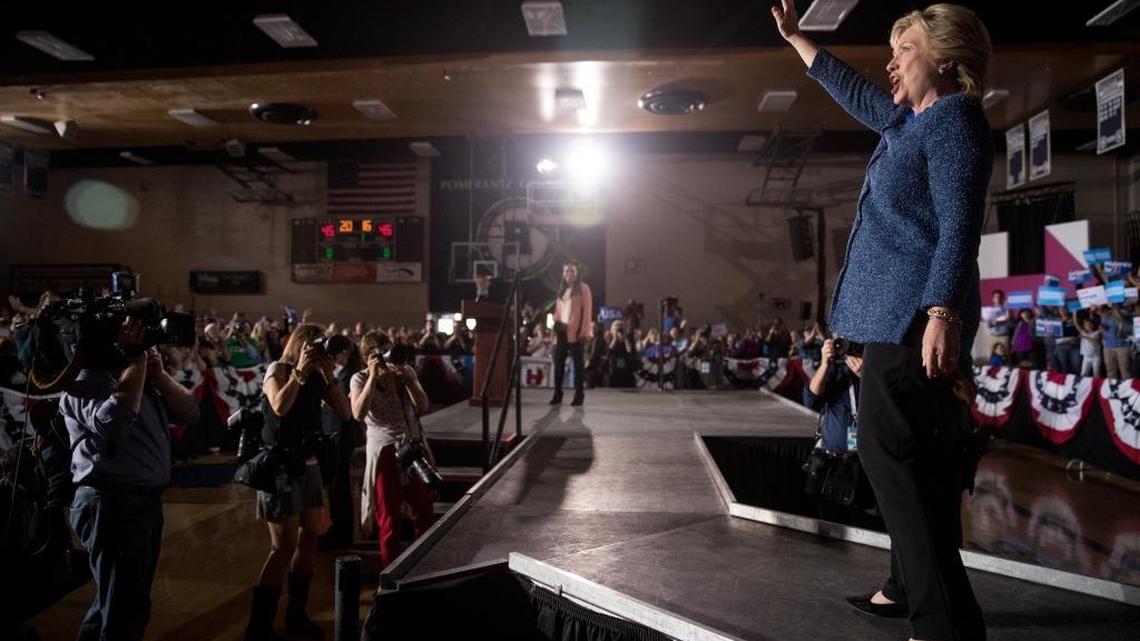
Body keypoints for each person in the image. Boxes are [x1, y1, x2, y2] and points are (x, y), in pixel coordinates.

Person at [772, 3, 992, 640]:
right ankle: (903, 586)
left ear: (945, 60)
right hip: (892, 313)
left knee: (886, 448)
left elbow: (959, 230)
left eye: (906, 51)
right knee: (913, 455)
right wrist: (796, 39)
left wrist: (944, 313)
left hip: (916, 314)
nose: (890, 63)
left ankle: (945, 620)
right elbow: (847, 85)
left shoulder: (954, 125)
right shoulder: (907, 121)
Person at [61, 319, 199, 641]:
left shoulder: (142, 378)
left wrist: (159, 375)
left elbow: (190, 413)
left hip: (142, 504)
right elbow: (117, 421)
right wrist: (135, 361)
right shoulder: (87, 380)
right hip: (111, 503)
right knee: (124, 611)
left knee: (114, 602)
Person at [245, 324, 352, 641]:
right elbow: (279, 406)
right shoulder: (278, 369)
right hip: (281, 468)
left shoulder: (320, 377)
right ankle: (259, 626)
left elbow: (345, 413)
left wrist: (328, 375)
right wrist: (301, 372)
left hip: (309, 467)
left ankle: (296, 613)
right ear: (299, 345)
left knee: (310, 542)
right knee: (283, 547)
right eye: (312, 345)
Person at [350, 330, 434, 568]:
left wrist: (407, 380)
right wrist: (372, 377)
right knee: (389, 519)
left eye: (388, 350)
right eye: (380, 353)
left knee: (424, 508)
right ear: (367, 357)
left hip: (411, 447)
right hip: (384, 451)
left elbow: (423, 406)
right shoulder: (359, 378)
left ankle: (422, 566)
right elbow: (357, 413)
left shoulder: (404, 372)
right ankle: (392, 574)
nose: (387, 357)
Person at [806, 338, 863, 454]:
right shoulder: (835, 368)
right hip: (835, 456)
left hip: (867, 455)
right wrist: (824, 364)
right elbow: (810, 399)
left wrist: (866, 375)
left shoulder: (875, 364)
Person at [550, 261, 593, 406]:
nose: (569, 274)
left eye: (572, 271)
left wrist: (584, 331)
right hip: (561, 331)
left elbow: (587, 311)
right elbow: (557, 311)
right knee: (558, 364)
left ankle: (579, 394)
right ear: (563, 274)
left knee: (578, 365)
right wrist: (553, 328)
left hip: (576, 332)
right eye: (566, 271)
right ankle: (557, 393)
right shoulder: (562, 290)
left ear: (576, 273)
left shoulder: (583, 288)